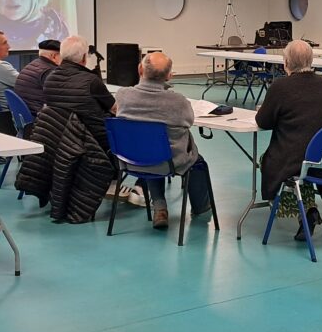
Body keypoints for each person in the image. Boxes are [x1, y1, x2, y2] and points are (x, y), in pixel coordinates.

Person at [114, 52, 211, 230]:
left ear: (140, 69)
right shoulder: (178, 102)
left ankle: (160, 206)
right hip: (170, 162)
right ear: (169, 76)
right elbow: (188, 121)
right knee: (196, 162)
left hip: (131, 159)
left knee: (149, 149)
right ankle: (201, 208)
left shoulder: (123, 95)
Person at [256, 40, 322, 240]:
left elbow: (263, 121)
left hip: (293, 159)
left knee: (269, 161)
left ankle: (305, 211)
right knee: (303, 165)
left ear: (286, 63)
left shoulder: (280, 87)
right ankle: (308, 210)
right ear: (311, 61)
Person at [43, 35, 115, 151]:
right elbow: (114, 109)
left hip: (62, 139)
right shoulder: (92, 80)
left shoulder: (49, 79)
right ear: (84, 58)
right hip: (94, 140)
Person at [14, 39, 61, 115]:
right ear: (54, 56)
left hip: (25, 114)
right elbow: (59, 98)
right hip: (38, 116)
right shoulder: (49, 71)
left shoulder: (32, 64)